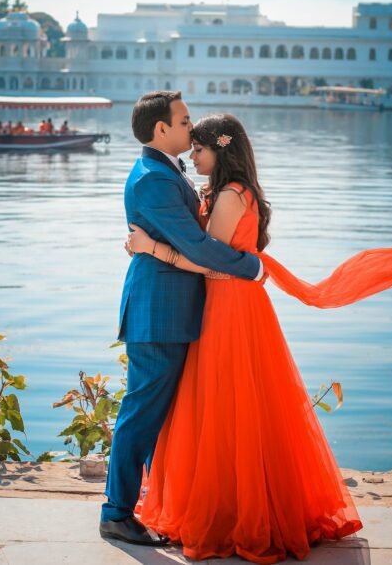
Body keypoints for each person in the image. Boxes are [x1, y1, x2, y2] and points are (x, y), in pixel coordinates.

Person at [125, 114, 362, 563]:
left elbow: (210, 261)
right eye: (191, 147)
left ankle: (237, 514)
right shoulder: (225, 192)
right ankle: (234, 504)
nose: (193, 155)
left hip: (229, 306)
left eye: (199, 149)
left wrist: (150, 248)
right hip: (227, 303)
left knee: (227, 405)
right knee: (231, 408)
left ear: (221, 150)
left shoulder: (232, 195)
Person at [100, 92, 264, 548]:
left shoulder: (167, 171)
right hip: (159, 313)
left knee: (164, 416)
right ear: (161, 130)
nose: (192, 129)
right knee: (142, 411)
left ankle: (156, 504)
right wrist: (252, 266)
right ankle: (116, 513)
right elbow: (195, 245)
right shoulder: (153, 178)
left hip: (175, 310)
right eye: (185, 121)